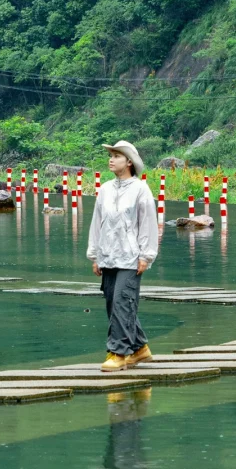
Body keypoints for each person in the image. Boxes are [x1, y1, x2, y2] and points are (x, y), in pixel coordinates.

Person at [87, 139, 158, 371]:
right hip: (108, 256)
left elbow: (148, 224)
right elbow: (97, 223)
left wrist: (146, 256)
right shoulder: (105, 189)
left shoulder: (140, 189)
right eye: (111, 155)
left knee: (122, 302)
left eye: (116, 156)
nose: (111, 159)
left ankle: (118, 352)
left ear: (129, 161)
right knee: (113, 303)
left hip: (130, 257)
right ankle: (138, 348)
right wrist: (95, 255)